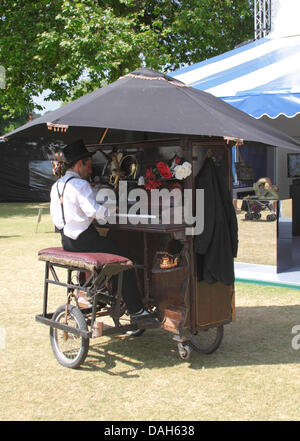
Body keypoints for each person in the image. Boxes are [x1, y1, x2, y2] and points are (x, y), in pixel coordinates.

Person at [50, 139, 154, 322]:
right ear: (80, 164)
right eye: (88, 166)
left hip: (66, 241)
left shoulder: (57, 185)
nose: (90, 171)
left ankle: (111, 294)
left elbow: (58, 219)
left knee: (113, 247)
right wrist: (114, 209)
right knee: (125, 261)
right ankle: (136, 310)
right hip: (84, 241)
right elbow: (95, 212)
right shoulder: (79, 185)